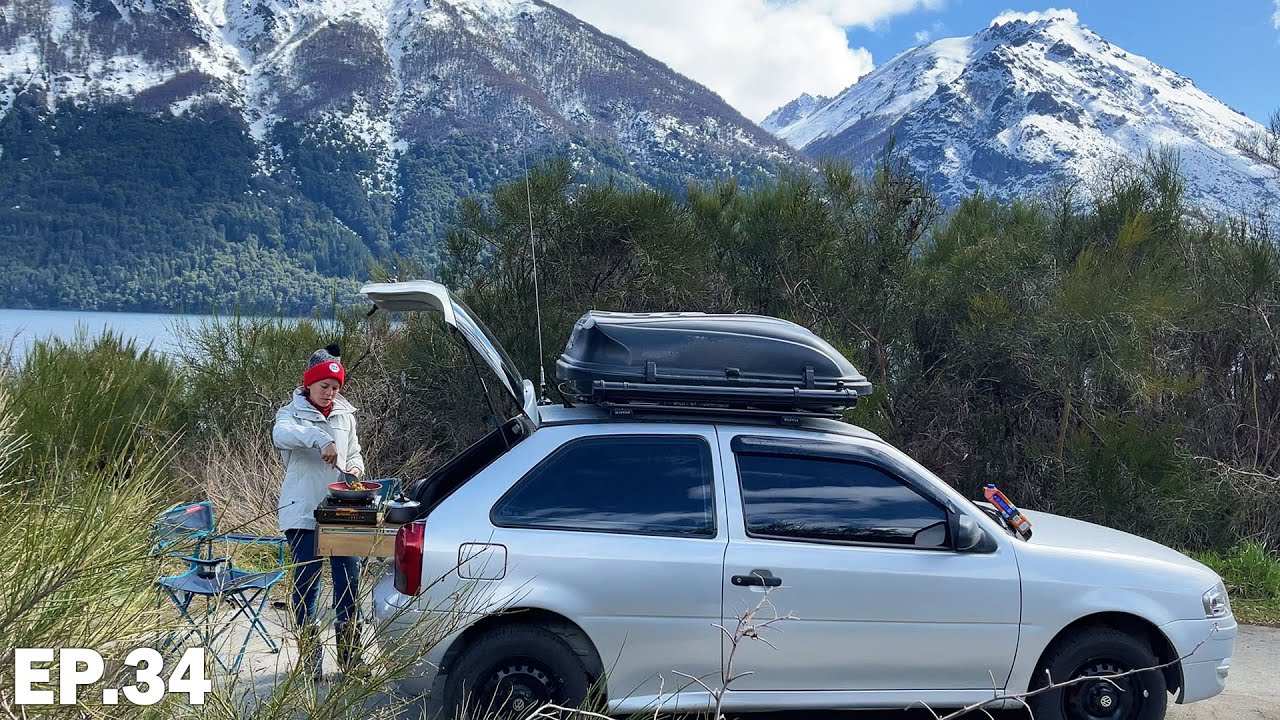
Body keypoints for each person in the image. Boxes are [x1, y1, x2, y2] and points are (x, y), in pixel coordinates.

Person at [272, 343, 367, 680]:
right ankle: (310, 661)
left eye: (336, 387)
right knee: (306, 584)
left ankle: (350, 660)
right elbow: (282, 435)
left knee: (349, 583)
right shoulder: (290, 414)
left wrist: (354, 468)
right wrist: (318, 438)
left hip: (340, 511)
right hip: (302, 510)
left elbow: (354, 452)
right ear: (309, 384)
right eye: (324, 386)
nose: (330, 393)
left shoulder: (345, 416)